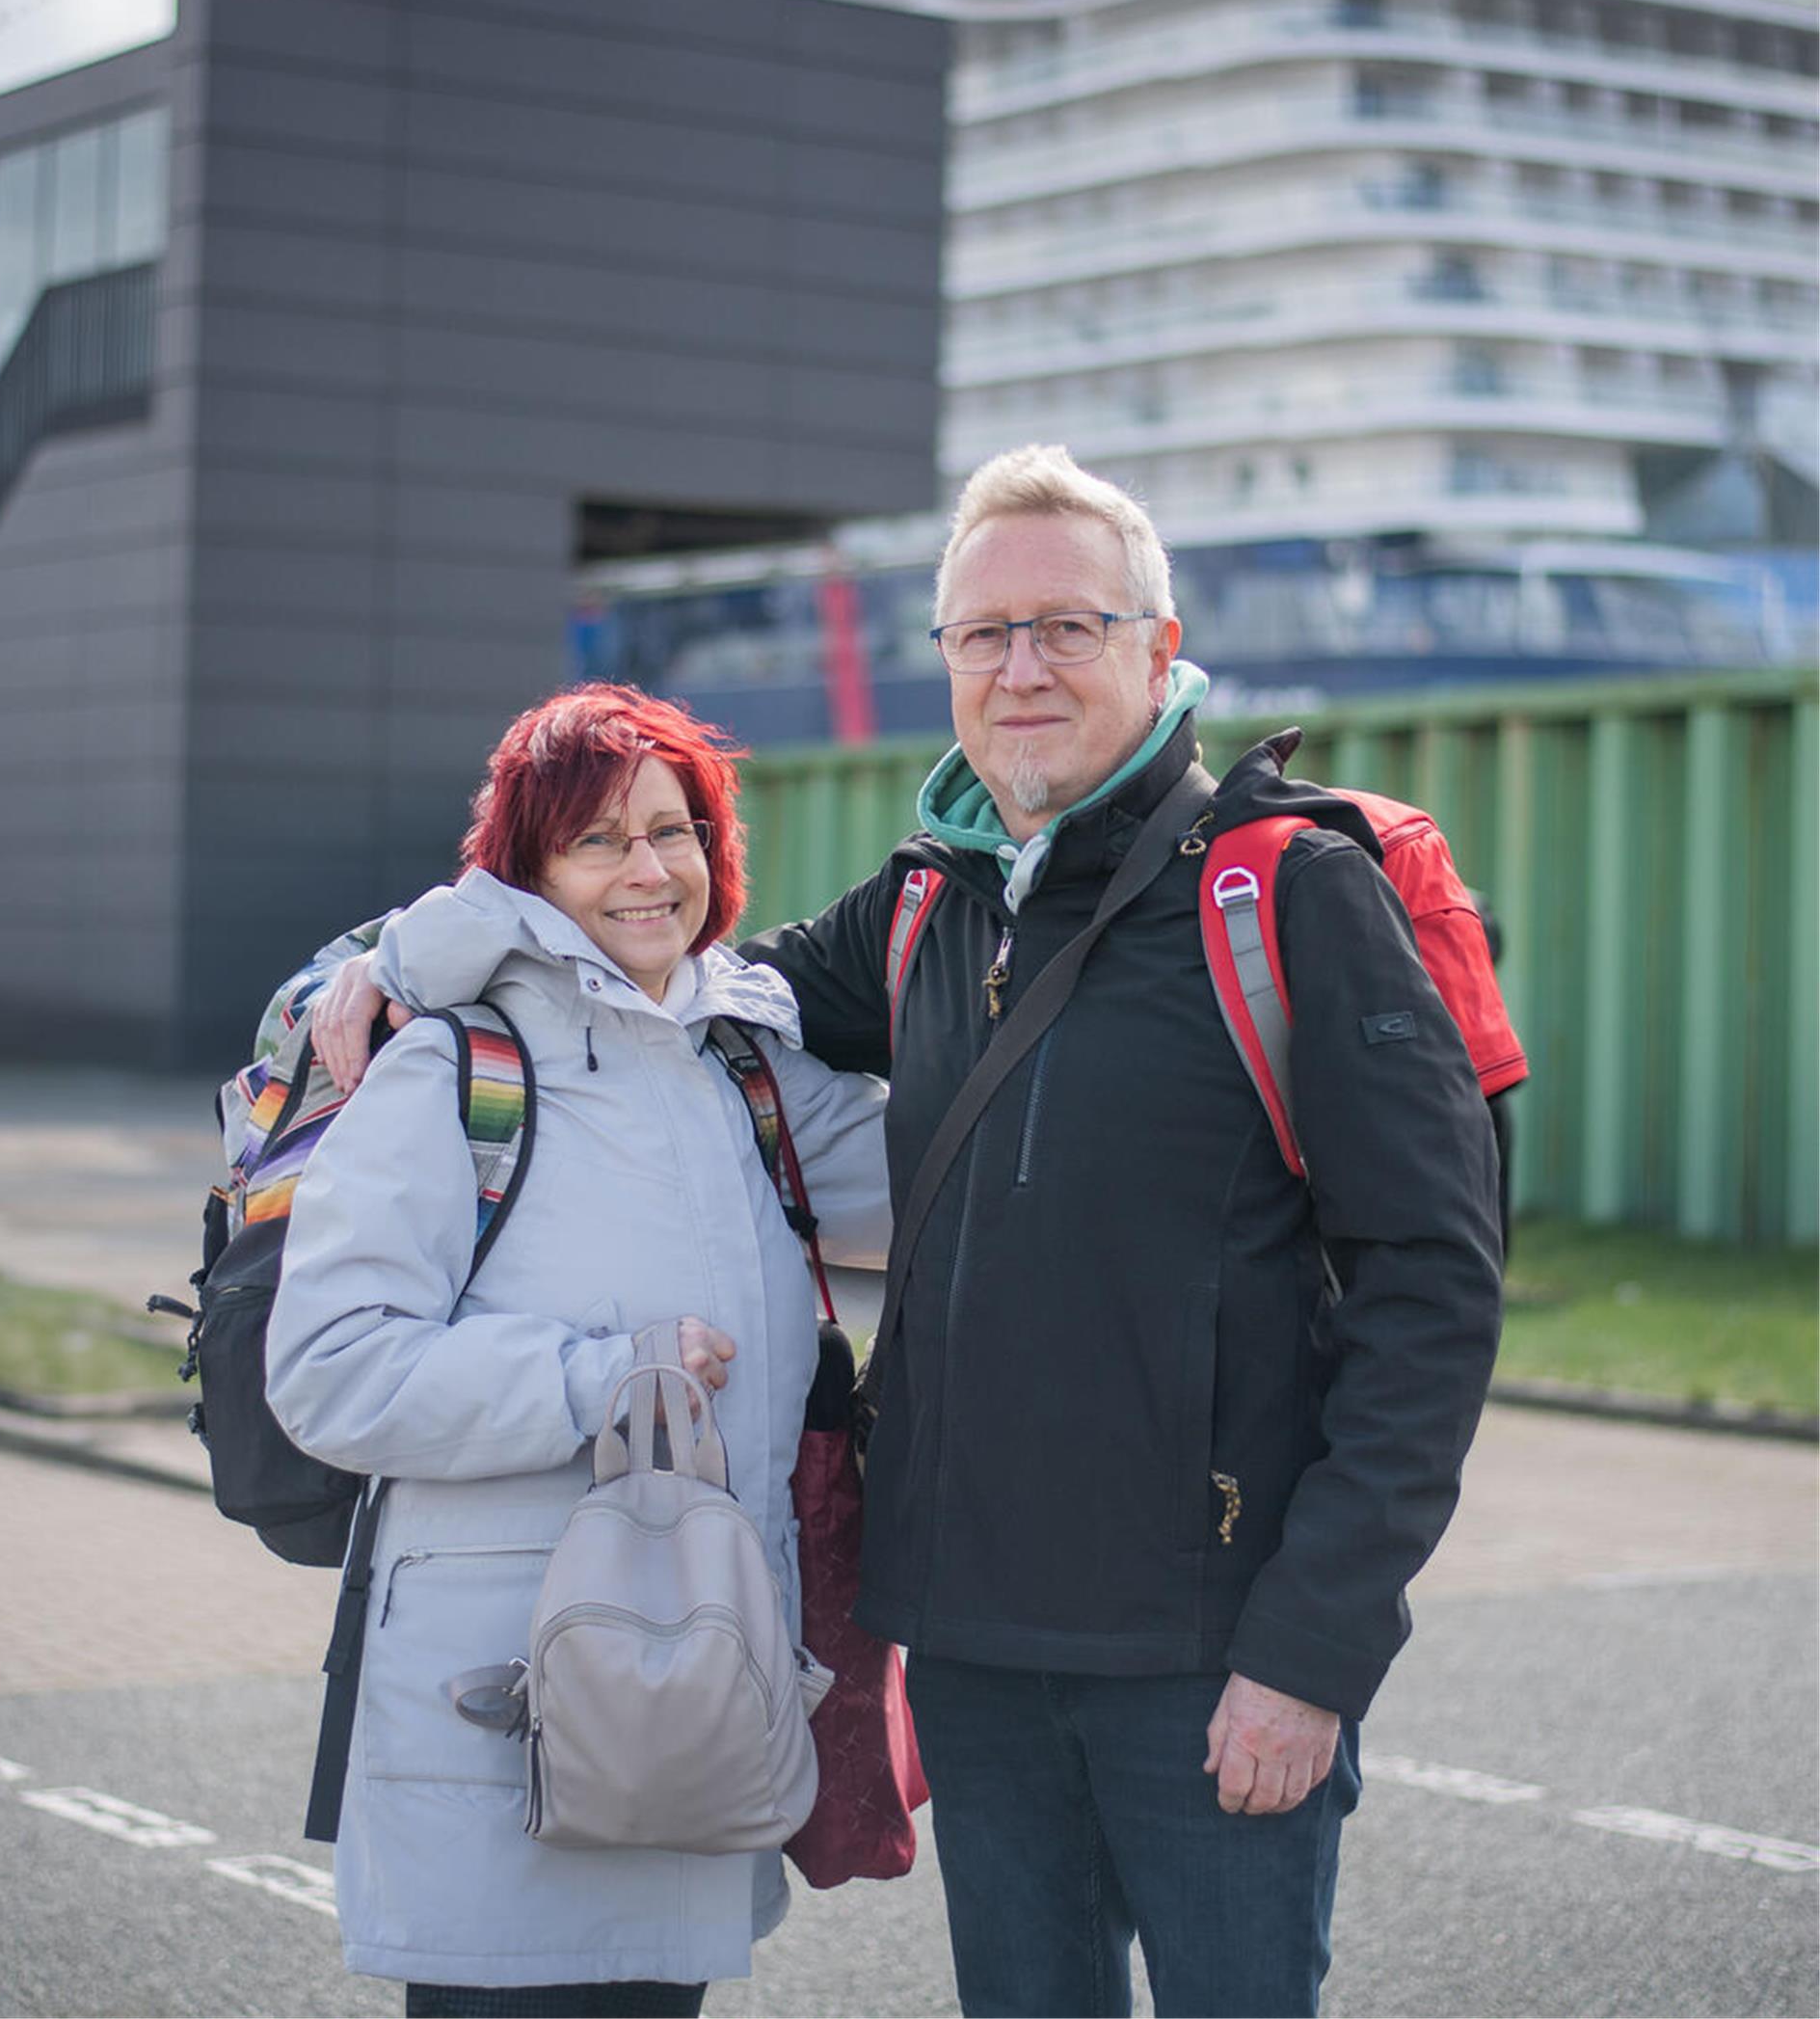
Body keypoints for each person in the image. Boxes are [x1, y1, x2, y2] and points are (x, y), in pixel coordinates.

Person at [315, 446, 1503, 2019]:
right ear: (944, 661)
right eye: (982, 636)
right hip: (976, 1656)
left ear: (1160, 645)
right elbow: (644, 955)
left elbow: (1434, 1290)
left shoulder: (1285, 897)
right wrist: (404, 949)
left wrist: (1314, 1651)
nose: (1022, 670)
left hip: (1211, 1658)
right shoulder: (932, 905)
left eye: (1068, 628)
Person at [265, 683, 889, 2018]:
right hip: (505, 1715)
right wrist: (602, 1378)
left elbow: (957, 1180)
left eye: (675, 831)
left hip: (688, 1705)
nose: (650, 871)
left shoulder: (751, 1071)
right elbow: (331, 1368)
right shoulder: (454, 1068)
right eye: (599, 840)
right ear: (526, 874)